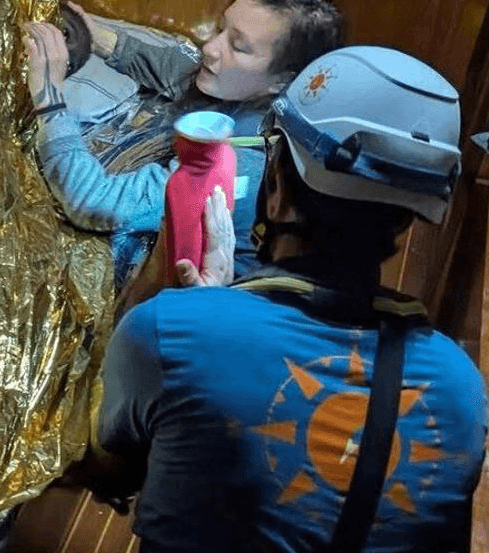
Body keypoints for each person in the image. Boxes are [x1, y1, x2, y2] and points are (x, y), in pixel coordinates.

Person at [90, 46, 488, 552]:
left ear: (276, 186)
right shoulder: (459, 385)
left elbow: (110, 470)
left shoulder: (169, 331)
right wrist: (219, 311)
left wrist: (185, 298)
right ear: (410, 215)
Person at [24, 0, 343, 288]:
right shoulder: (257, 95)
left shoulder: (236, 165)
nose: (210, 48)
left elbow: (92, 201)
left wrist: (49, 99)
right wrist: (94, 36)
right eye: (220, 29)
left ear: (282, 80)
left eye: (237, 46)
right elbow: (180, 69)